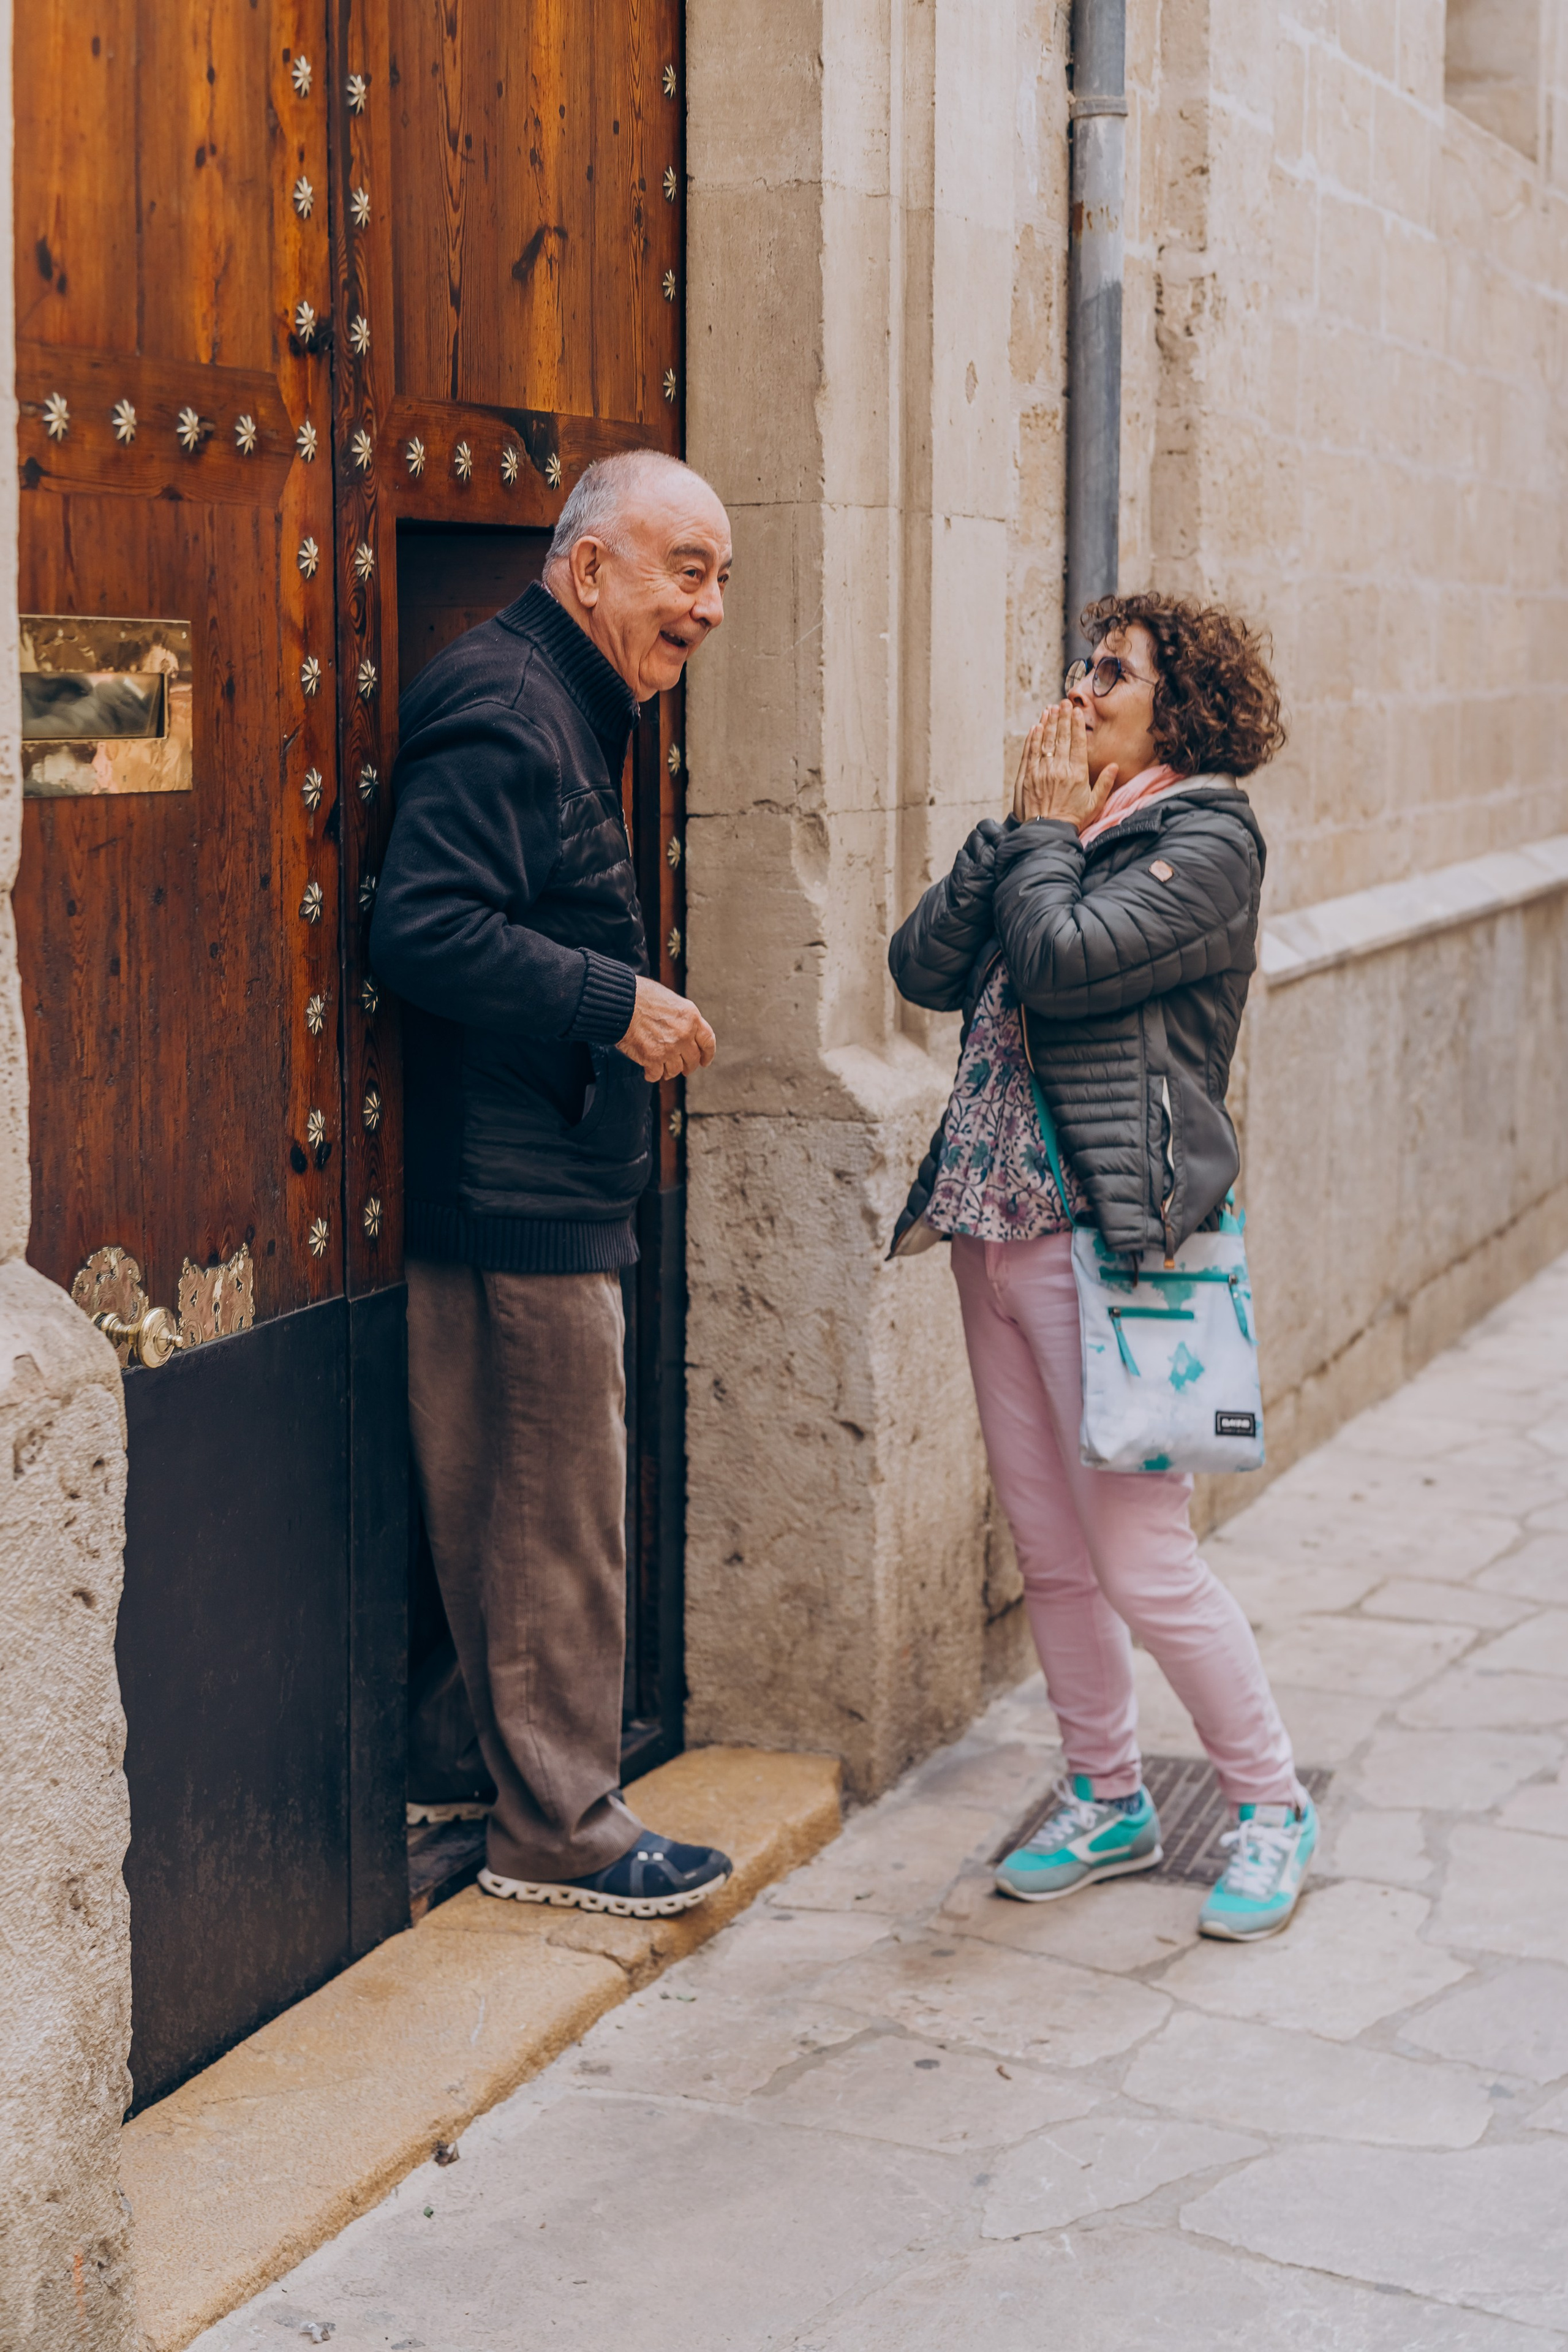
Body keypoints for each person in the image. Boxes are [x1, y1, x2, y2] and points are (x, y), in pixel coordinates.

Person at [888, 593, 1316, 1941]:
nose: (1080, 689)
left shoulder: (1208, 839)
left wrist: (1039, 836)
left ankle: (1269, 1804)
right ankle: (1106, 1793)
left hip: (1110, 1248)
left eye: (1111, 672)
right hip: (991, 1230)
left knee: (1142, 1560)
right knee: (1051, 1551)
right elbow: (920, 966)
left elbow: (1064, 966)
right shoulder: (1059, 826)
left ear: (1178, 710)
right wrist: (1018, 830)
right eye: (1083, 663)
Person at [370, 450, 734, 1918]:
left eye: (719, 578)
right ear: (589, 568)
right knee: (551, 1520)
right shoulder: (510, 701)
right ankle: (563, 1833)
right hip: (513, 1194)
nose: (709, 607)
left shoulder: (569, 696)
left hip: (547, 1173)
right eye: (685, 571)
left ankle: (471, 1778)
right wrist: (613, 1001)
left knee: (520, 1520)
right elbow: (420, 929)